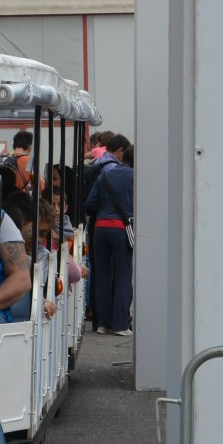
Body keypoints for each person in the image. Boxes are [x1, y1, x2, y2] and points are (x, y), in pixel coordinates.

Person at [85, 132, 134, 336]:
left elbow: (90, 203)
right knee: (122, 276)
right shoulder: (135, 176)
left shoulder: (105, 174)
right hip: (121, 229)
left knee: (102, 276)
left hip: (100, 229)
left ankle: (103, 324)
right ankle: (120, 324)